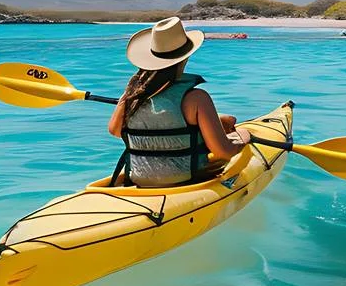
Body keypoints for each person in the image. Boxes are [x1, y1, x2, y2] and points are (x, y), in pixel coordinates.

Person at [106, 17, 250, 188]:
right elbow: (222, 152)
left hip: (139, 181)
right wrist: (243, 138)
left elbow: (115, 131)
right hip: (187, 181)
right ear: (185, 58)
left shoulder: (131, 96)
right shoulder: (197, 98)